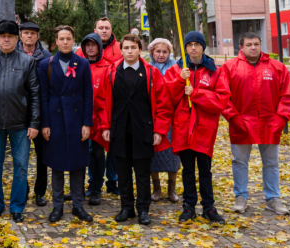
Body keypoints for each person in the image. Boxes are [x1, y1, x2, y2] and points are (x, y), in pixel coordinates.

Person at [98, 35, 173, 225]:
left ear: (140, 50)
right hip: (119, 129)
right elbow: (102, 102)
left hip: (144, 130)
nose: (129, 51)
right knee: (122, 173)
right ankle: (126, 208)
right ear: (121, 50)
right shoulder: (111, 72)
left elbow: (163, 104)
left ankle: (143, 210)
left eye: (133, 47)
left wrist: (159, 130)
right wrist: (105, 126)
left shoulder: (151, 73)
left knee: (142, 172)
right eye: (126, 48)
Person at [222, 32, 290, 215]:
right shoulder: (230, 67)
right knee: (239, 162)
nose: (253, 47)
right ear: (241, 47)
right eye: (249, 45)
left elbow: (288, 96)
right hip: (241, 122)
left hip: (269, 123)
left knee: (271, 163)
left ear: (260, 45)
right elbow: (223, 96)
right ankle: (241, 196)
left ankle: (273, 198)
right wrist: (234, 117)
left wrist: (280, 118)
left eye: (256, 44)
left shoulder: (277, 67)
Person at [0, 20, 40, 223]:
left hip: (20, 124)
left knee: (21, 167)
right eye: (3, 36)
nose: (6, 39)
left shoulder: (27, 62)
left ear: (17, 38)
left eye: (10, 36)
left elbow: (35, 94)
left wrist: (34, 123)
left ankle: (17, 207)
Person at [165, 31, 230, 224]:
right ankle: (189, 206)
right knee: (187, 170)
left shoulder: (215, 71)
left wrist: (196, 94)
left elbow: (221, 100)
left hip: (204, 129)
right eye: (189, 44)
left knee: (205, 170)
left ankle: (208, 207)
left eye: (197, 44)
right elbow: (168, 98)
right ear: (185, 48)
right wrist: (178, 81)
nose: (193, 48)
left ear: (203, 47)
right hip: (183, 128)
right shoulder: (176, 70)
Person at [39, 25, 93, 223]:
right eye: (61, 38)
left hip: (77, 121)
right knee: (57, 165)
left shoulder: (83, 64)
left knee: (78, 165)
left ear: (73, 40)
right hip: (55, 121)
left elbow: (88, 95)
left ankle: (78, 206)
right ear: (56, 41)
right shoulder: (47, 64)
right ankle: (58, 206)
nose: (65, 42)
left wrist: (87, 123)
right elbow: (43, 96)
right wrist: (45, 123)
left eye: (68, 38)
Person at [17, 21, 52, 207]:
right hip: (19, 112)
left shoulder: (46, 57)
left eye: (32, 33)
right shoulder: (13, 55)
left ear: (37, 36)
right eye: (26, 33)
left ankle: (40, 192)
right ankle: (23, 189)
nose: (29, 36)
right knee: (20, 156)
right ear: (20, 35)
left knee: (42, 155)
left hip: (41, 111)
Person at [80, 33, 114, 207]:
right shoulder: (78, 65)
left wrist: (106, 121)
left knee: (98, 154)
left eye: (94, 45)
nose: (90, 48)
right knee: (81, 153)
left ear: (100, 47)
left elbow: (108, 97)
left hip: (100, 119)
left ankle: (96, 189)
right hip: (81, 118)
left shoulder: (108, 67)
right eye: (87, 45)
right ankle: (79, 188)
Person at [146, 38, 180, 203]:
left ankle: (171, 188)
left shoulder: (176, 67)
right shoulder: (147, 68)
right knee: (154, 153)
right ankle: (156, 187)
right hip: (153, 117)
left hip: (172, 118)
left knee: (173, 154)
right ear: (152, 52)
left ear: (169, 53)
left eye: (165, 52)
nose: (161, 55)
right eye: (158, 51)